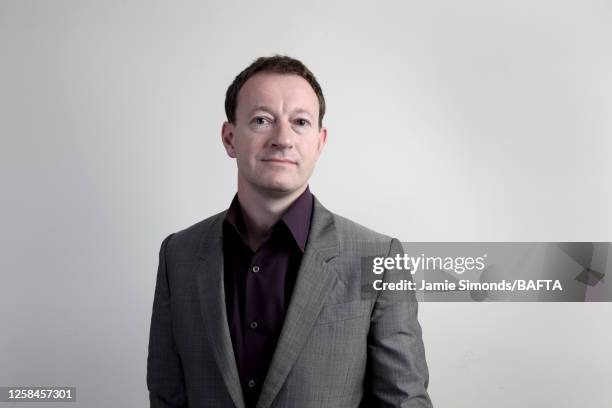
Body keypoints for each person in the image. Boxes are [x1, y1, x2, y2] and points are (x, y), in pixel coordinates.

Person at [147, 55, 432, 408]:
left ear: (320, 141)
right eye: (262, 120)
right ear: (230, 138)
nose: (282, 138)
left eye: (300, 122)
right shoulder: (179, 255)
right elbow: (166, 397)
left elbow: (404, 403)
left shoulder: (379, 258)